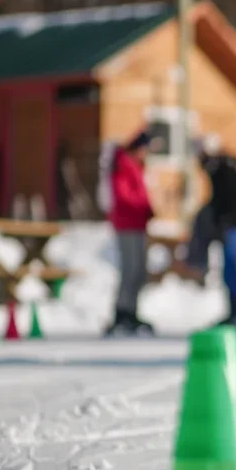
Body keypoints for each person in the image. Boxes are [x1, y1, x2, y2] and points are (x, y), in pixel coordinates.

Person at [185, 136, 236, 330]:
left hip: (234, 228)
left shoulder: (223, 171)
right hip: (228, 227)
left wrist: (225, 216)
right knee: (228, 273)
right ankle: (235, 312)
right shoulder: (219, 170)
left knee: (232, 273)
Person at [105, 130, 155, 336]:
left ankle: (132, 309)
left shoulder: (135, 166)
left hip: (138, 224)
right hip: (127, 225)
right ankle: (121, 312)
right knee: (130, 268)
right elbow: (124, 196)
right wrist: (142, 207)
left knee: (139, 270)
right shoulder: (123, 164)